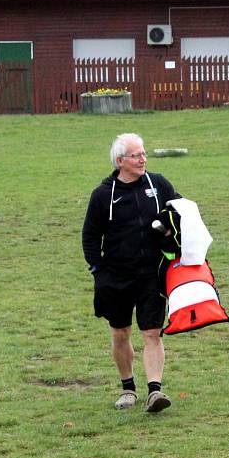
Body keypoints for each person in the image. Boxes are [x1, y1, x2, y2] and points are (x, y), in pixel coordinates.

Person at [82, 133, 180, 413]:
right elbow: (90, 236)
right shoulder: (103, 195)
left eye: (144, 153)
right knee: (120, 333)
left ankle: (154, 392)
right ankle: (128, 388)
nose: (143, 159)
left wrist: (171, 228)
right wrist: (98, 270)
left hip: (152, 274)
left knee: (152, 332)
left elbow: (180, 209)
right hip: (115, 276)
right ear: (120, 160)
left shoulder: (158, 184)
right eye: (136, 155)